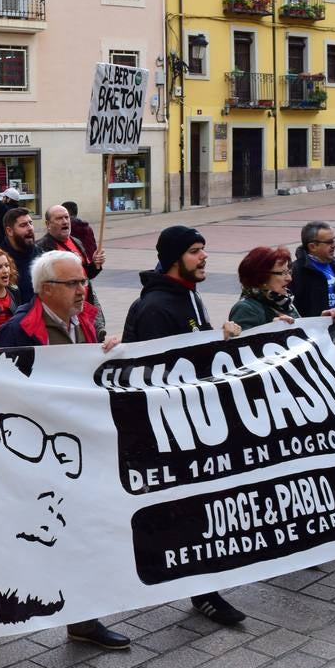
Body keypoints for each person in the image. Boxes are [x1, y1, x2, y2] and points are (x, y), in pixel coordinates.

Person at [0, 250, 128, 648]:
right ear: (47, 290)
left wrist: (108, 351)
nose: (84, 289)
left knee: (82, 535)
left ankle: (84, 619)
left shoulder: (83, 322)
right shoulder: (17, 332)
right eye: (75, 283)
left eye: (84, 282)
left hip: (77, 453)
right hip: (37, 458)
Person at [121, 225, 245, 626]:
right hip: (169, 429)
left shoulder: (188, 296)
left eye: (203, 249)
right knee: (183, 513)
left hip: (191, 423)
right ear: (174, 258)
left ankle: (202, 586)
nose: (204, 257)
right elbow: (159, 374)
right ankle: (200, 591)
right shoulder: (157, 307)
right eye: (195, 251)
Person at [37, 204, 106, 330]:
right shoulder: (42, 248)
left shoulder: (76, 242)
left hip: (85, 302)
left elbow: (86, 275)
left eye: (66, 217)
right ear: (48, 224)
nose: (64, 221)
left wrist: (96, 264)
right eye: (59, 218)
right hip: (65, 309)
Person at [228, 246, 301, 329]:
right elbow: (244, 341)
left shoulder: (284, 302)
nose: (289, 278)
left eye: (289, 272)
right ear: (262, 278)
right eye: (282, 273)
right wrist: (271, 328)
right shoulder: (245, 309)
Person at [291, 221, 335, 318]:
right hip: (316, 330)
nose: (334, 245)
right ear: (312, 246)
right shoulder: (296, 271)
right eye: (329, 242)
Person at [0, 207, 41, 305]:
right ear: (10, 231)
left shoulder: (40, 254)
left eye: (31, 223)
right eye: (23, 225)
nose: (30, 228)